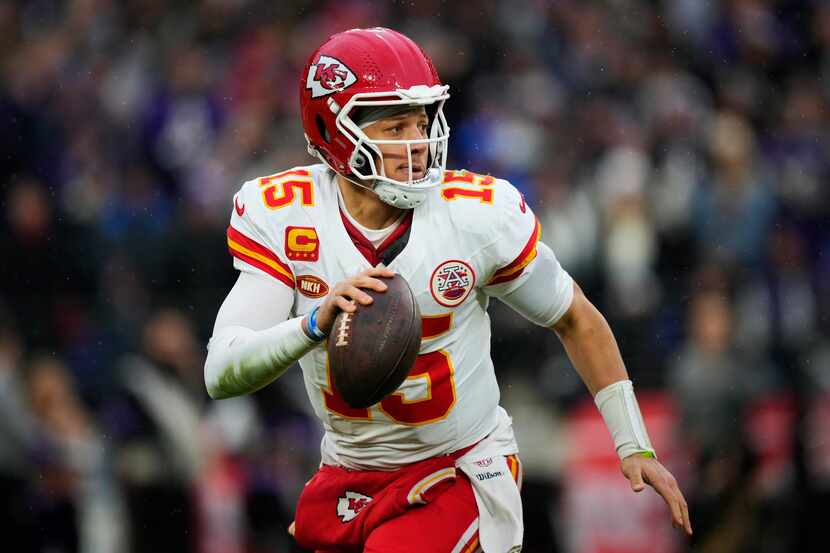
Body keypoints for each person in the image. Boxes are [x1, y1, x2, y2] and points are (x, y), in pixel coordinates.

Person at [204, 27, 692, 552]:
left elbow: (574, 317)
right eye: (394, 126)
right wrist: (313, 325)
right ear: (333, 132)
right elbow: (221, 373)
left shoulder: (473, 216)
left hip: (460, 468)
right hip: (351, 471)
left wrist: (632, 442)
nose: (417, 143)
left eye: (421, 121)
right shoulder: (286, 215)